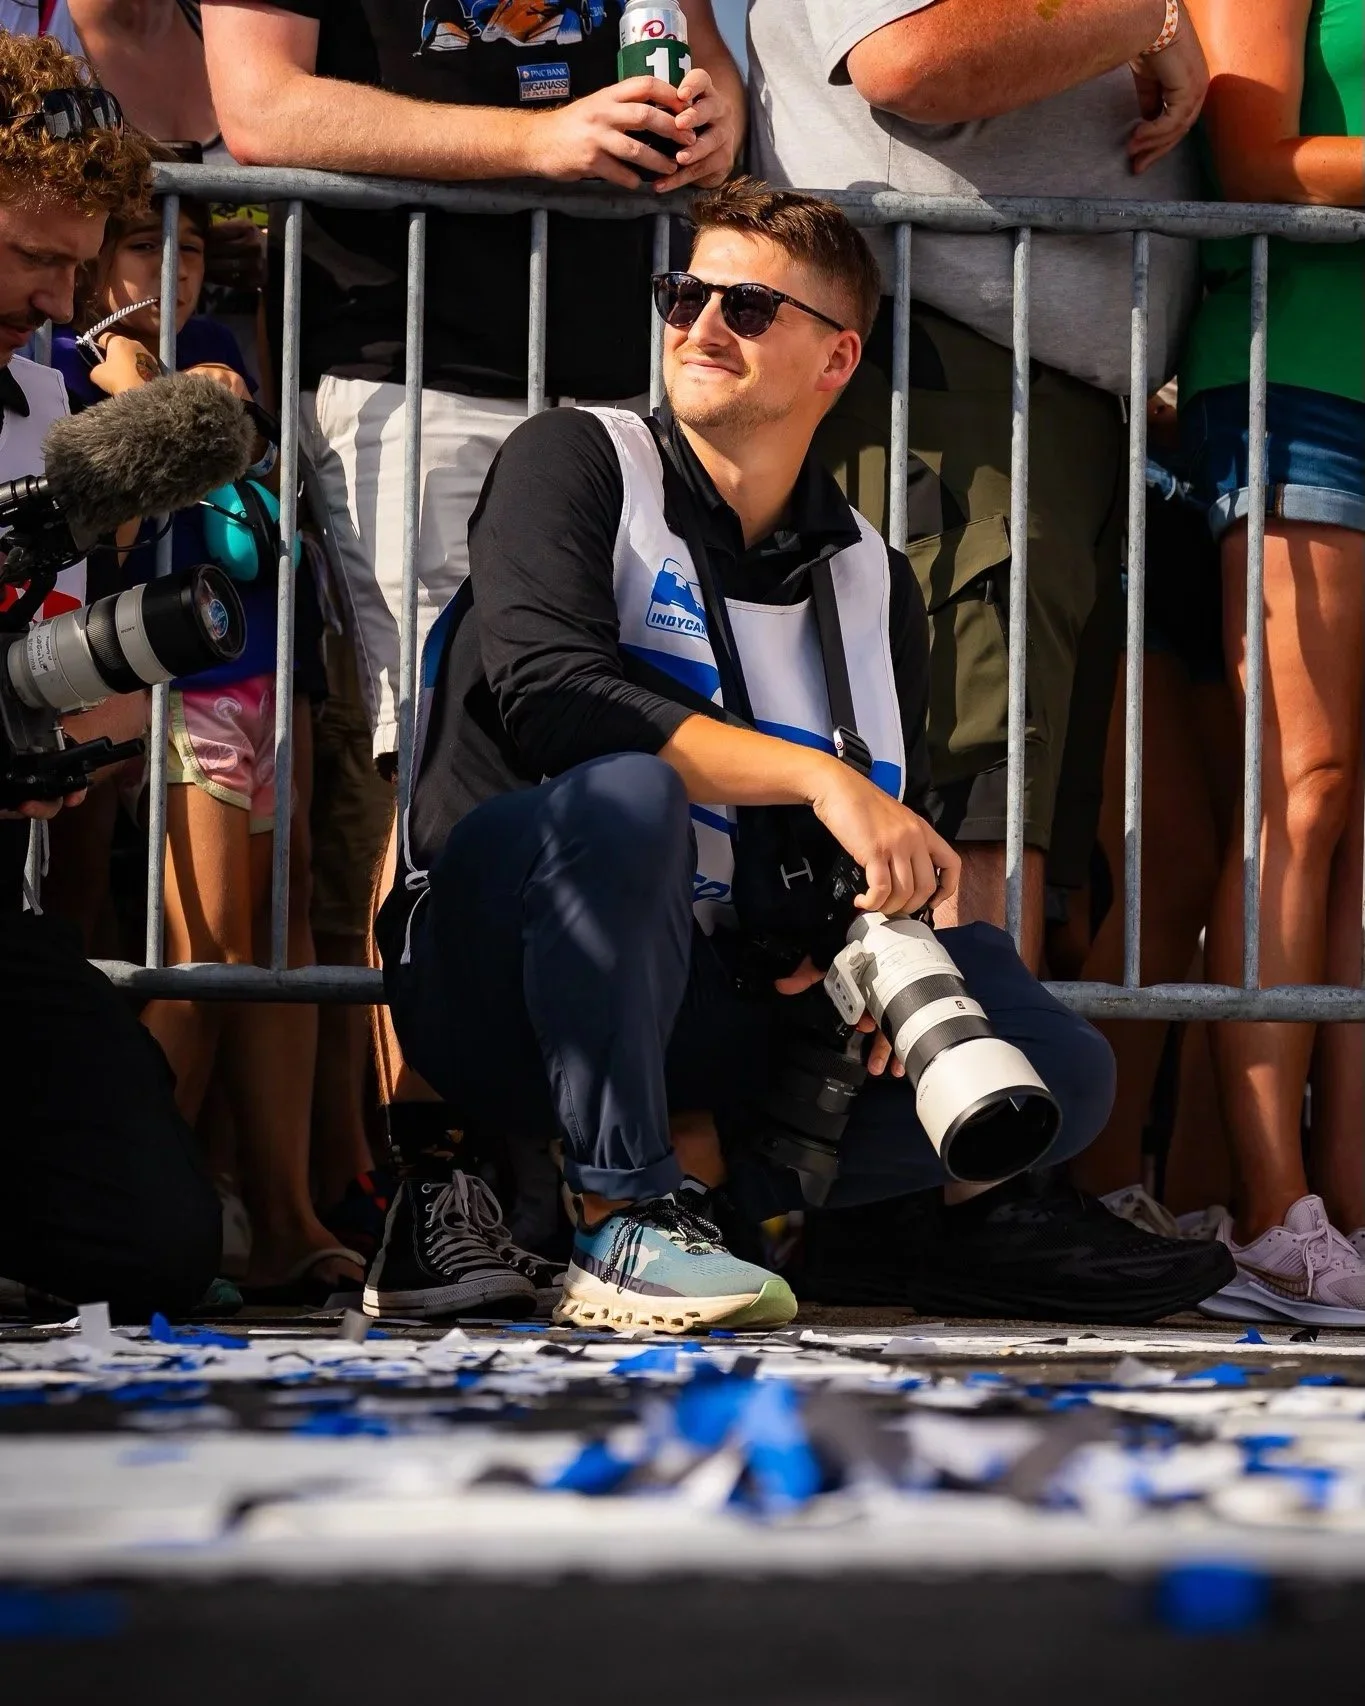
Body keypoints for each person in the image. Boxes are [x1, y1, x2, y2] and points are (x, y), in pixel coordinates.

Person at [370, 179, 1236, 1332]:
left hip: (710, 1004)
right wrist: (820, 778)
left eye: (747, 307)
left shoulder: (874, 576)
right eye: (683, 294)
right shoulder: (576, 457)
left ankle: (866, 1230)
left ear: (838, 359)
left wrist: (847, 940)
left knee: (1051, 1060)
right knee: (627, 796)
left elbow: (847, 849)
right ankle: (621, 1217)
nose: (700, 326)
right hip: (500, 976)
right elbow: (555, 701)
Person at [199, 0, 747, 1174]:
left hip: (623, 372)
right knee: (439, 775)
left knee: (632, 769)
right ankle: (442, 1175)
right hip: (411, 371)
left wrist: (716, 112)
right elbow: (260, 107)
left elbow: (701, 51)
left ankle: (598, 1174)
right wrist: (538, 142)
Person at [747, 0, 1208, 972]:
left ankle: (980, 1049)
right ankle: (960, 1063)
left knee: (1010, 808)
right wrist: (1149, 19)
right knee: (971, 801)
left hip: (1019, 390)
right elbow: (908, 60)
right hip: (949, 380)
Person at [43, 180, 362, 1303]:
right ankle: (124, 1218)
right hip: (165, 684)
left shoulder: (219, 346)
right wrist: (146, 394)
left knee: (275, 945)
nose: (173, 271)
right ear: (89, 259)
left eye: (189, 250)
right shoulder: (62, 361)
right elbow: (114, 528)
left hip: (267, 665)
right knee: (199, 952)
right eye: (145, 245)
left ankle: (282, 1215)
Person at [0, 30, 219, 1318]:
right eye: (30, 256)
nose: (56, 297)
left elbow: (50, 676)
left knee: (154, 1237)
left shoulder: (53, 414)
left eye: (76, 268)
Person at [1178, 0, 1365, 1325]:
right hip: (1294, 369)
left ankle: (1349, 1203)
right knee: (1303, 782)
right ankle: (1267, 1210)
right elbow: (1253, 157)